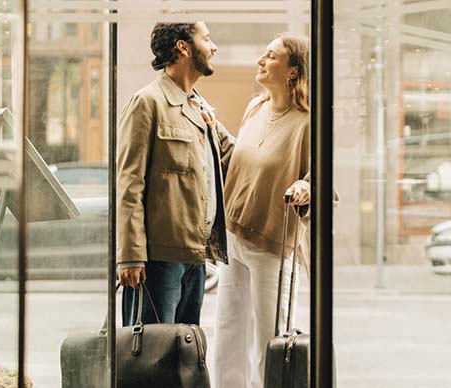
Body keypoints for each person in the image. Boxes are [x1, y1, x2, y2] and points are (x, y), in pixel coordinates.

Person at [115, 21, 235, 326]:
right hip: (158, 260)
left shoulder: (199, 108)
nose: (214, 47)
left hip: (195, 258)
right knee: (149, 358)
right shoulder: (148, 102)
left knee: (181, 355)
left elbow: (230, 159)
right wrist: (130, 255)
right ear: (183, 46)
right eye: (207, 39)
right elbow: (130, 183)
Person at [211, 33, 312, 388]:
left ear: (292, 71)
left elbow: (319, 178)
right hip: (235, 235)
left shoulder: (307, 123)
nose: (261, 60)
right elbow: (243, 158)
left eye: (271, 56)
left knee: (270, 338)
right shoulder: (256, 107)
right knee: (227, 333)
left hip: (272, 243)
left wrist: (306, 186)